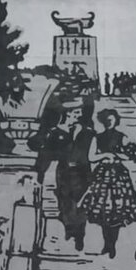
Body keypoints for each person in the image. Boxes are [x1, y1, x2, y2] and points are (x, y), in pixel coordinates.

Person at [77, 108, 136, 259]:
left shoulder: (122, 136)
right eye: (107, 120)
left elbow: (129, 155)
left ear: (116, 120)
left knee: (117, 210)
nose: (109, 122)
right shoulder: (97, 137)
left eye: (112, 120)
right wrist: (105, 155)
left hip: (118, 174)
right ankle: (107, 244)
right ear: (103, 121)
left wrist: (118, 155)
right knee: (103, 209)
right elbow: (91, 157)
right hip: (103, 174)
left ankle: (112, 244)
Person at [35, 100, 93, 252]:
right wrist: (39, 173)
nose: (79, 115)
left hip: (82, 172)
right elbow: (46, 154)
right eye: (76, 113)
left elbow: (92, 153)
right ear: (67, 114)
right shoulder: (55, 132)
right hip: (64, 172)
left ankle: (79, 234)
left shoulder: (86, 131)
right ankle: (70, 228)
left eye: (79, 112)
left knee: (81, 204)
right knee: (65, 202)